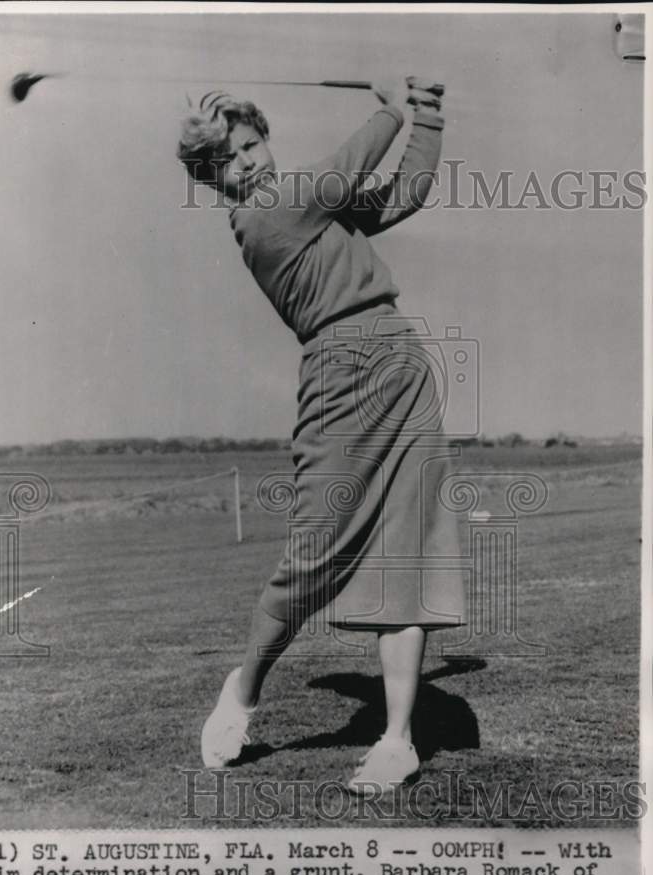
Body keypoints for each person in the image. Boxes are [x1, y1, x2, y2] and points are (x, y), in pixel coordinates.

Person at [176, 77, 466, 794]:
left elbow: (402, 194)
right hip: (339, 373)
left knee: (406, 552)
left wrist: (425, 113)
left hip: (398, 358)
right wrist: (390, 104)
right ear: (214, 183)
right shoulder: (264, 218)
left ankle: (396, 740)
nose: (245, 164)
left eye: (250, 146)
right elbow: (351, 165)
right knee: (313, 558)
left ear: (265, 141)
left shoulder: (312, 211)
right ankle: (242, 691)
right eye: (225, 162)